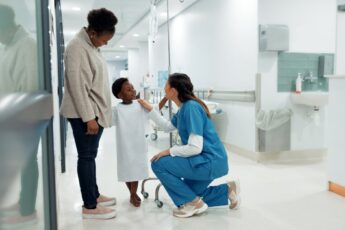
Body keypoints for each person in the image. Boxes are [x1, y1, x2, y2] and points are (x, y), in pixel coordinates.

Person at [138, 73, 240, 218]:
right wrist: (150, 109)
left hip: (208, 161)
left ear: (173, 91)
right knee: (189, 193)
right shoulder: (184, 108)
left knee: (158, 163)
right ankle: (227, 190)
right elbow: (167, 126)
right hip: (208, 160)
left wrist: (168, 151)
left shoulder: (191, 108)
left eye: (166, 85)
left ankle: (193, 204)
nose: (164, 88)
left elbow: (195, 147)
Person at [60, 8, 118, 219]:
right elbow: (77, 87)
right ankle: (90, 206)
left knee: (90, 156)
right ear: (93, 33)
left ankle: (93, 193)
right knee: (86, 157)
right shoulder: (76, 47)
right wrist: (89, 118)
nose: (106, 43)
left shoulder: (91, 46)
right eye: (105, 39)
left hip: (94, 111)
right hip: (84, 114)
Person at [0, 4, 40, 229]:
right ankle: (23, 203)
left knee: (27, 163)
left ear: (6, 27)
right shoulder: (9, 45)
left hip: (23, 119)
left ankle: (28, 210)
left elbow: (30, 87)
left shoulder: (26, 46)